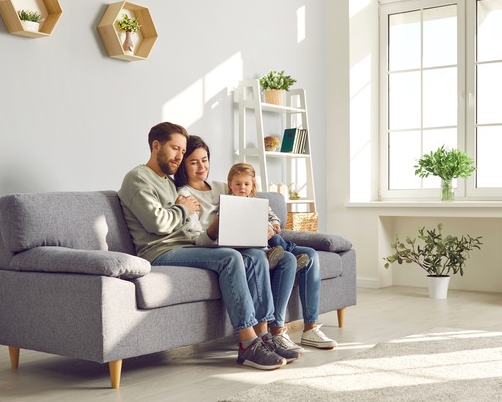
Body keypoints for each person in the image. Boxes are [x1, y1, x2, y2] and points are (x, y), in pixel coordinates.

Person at [118, 122, 290, 370]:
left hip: (186, 246)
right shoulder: (137, 178)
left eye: (182, 150)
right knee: (230, 258)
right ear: (156, 146)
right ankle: (247, 344)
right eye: (175, 148)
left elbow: (186, 224)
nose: (179, 156)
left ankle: (263, 334)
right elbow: (158, 223)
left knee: (253, 255)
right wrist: (183, 208)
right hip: (159, 252)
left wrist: (201, 222)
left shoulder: (167, 181)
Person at [175, 135, 338, 352]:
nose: (201, 167)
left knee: (311, 255)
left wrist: (267, 224)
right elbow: (198, 239)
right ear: (183, 164)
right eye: (193, 162)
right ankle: (276, 330)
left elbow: (247, 197)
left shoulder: (221, 186)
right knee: (287, 260)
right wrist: (219, 224)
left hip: (254, 239)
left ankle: (309, 328)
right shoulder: (184, 195)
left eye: (204, 160)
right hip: (224, 246)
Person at [226, 163, 307, 271]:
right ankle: (272, 255)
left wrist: (275, 224)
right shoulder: (228, 203)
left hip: (267, 235)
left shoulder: (256, 202)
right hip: (249, 238)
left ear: (252, 185)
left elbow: (271, 215)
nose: (242, 188)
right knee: (273, 239)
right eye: (238, 184)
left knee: (276, 238)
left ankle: (286, 254)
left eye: (246, 184)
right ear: (230, 184)